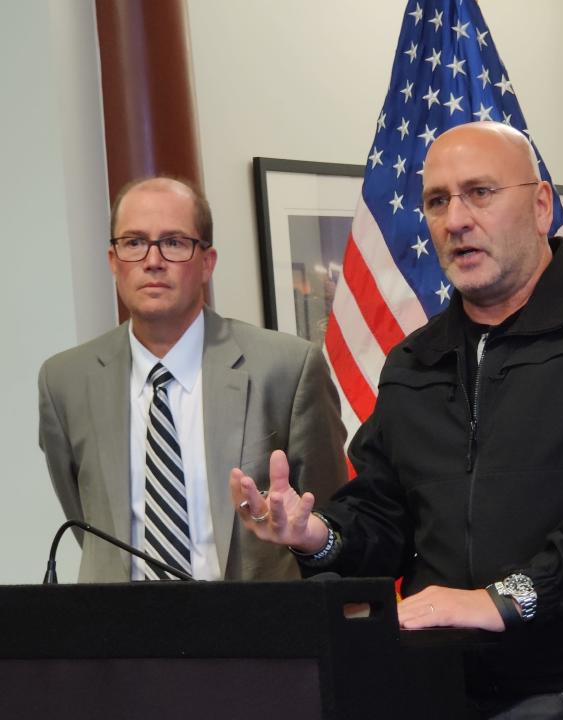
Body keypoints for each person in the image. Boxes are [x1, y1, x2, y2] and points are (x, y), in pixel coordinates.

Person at [232, 122, 563, 718]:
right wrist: (317, 536)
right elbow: (386, 515)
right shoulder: (414, 360)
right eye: (437, 201)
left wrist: (508, 599)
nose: (455, 219)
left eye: (480, 192)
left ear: (539, 206)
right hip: (448, 689)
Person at [38, 176, 347, 582]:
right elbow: (86, 518)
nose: (152, 260)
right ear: (113, 261)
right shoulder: (64, 381)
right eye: (133, 243)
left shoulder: (287, 368)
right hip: (116, 633)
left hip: (255, 632)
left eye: (173, 242)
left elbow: (329, 522)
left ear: (207, 262)